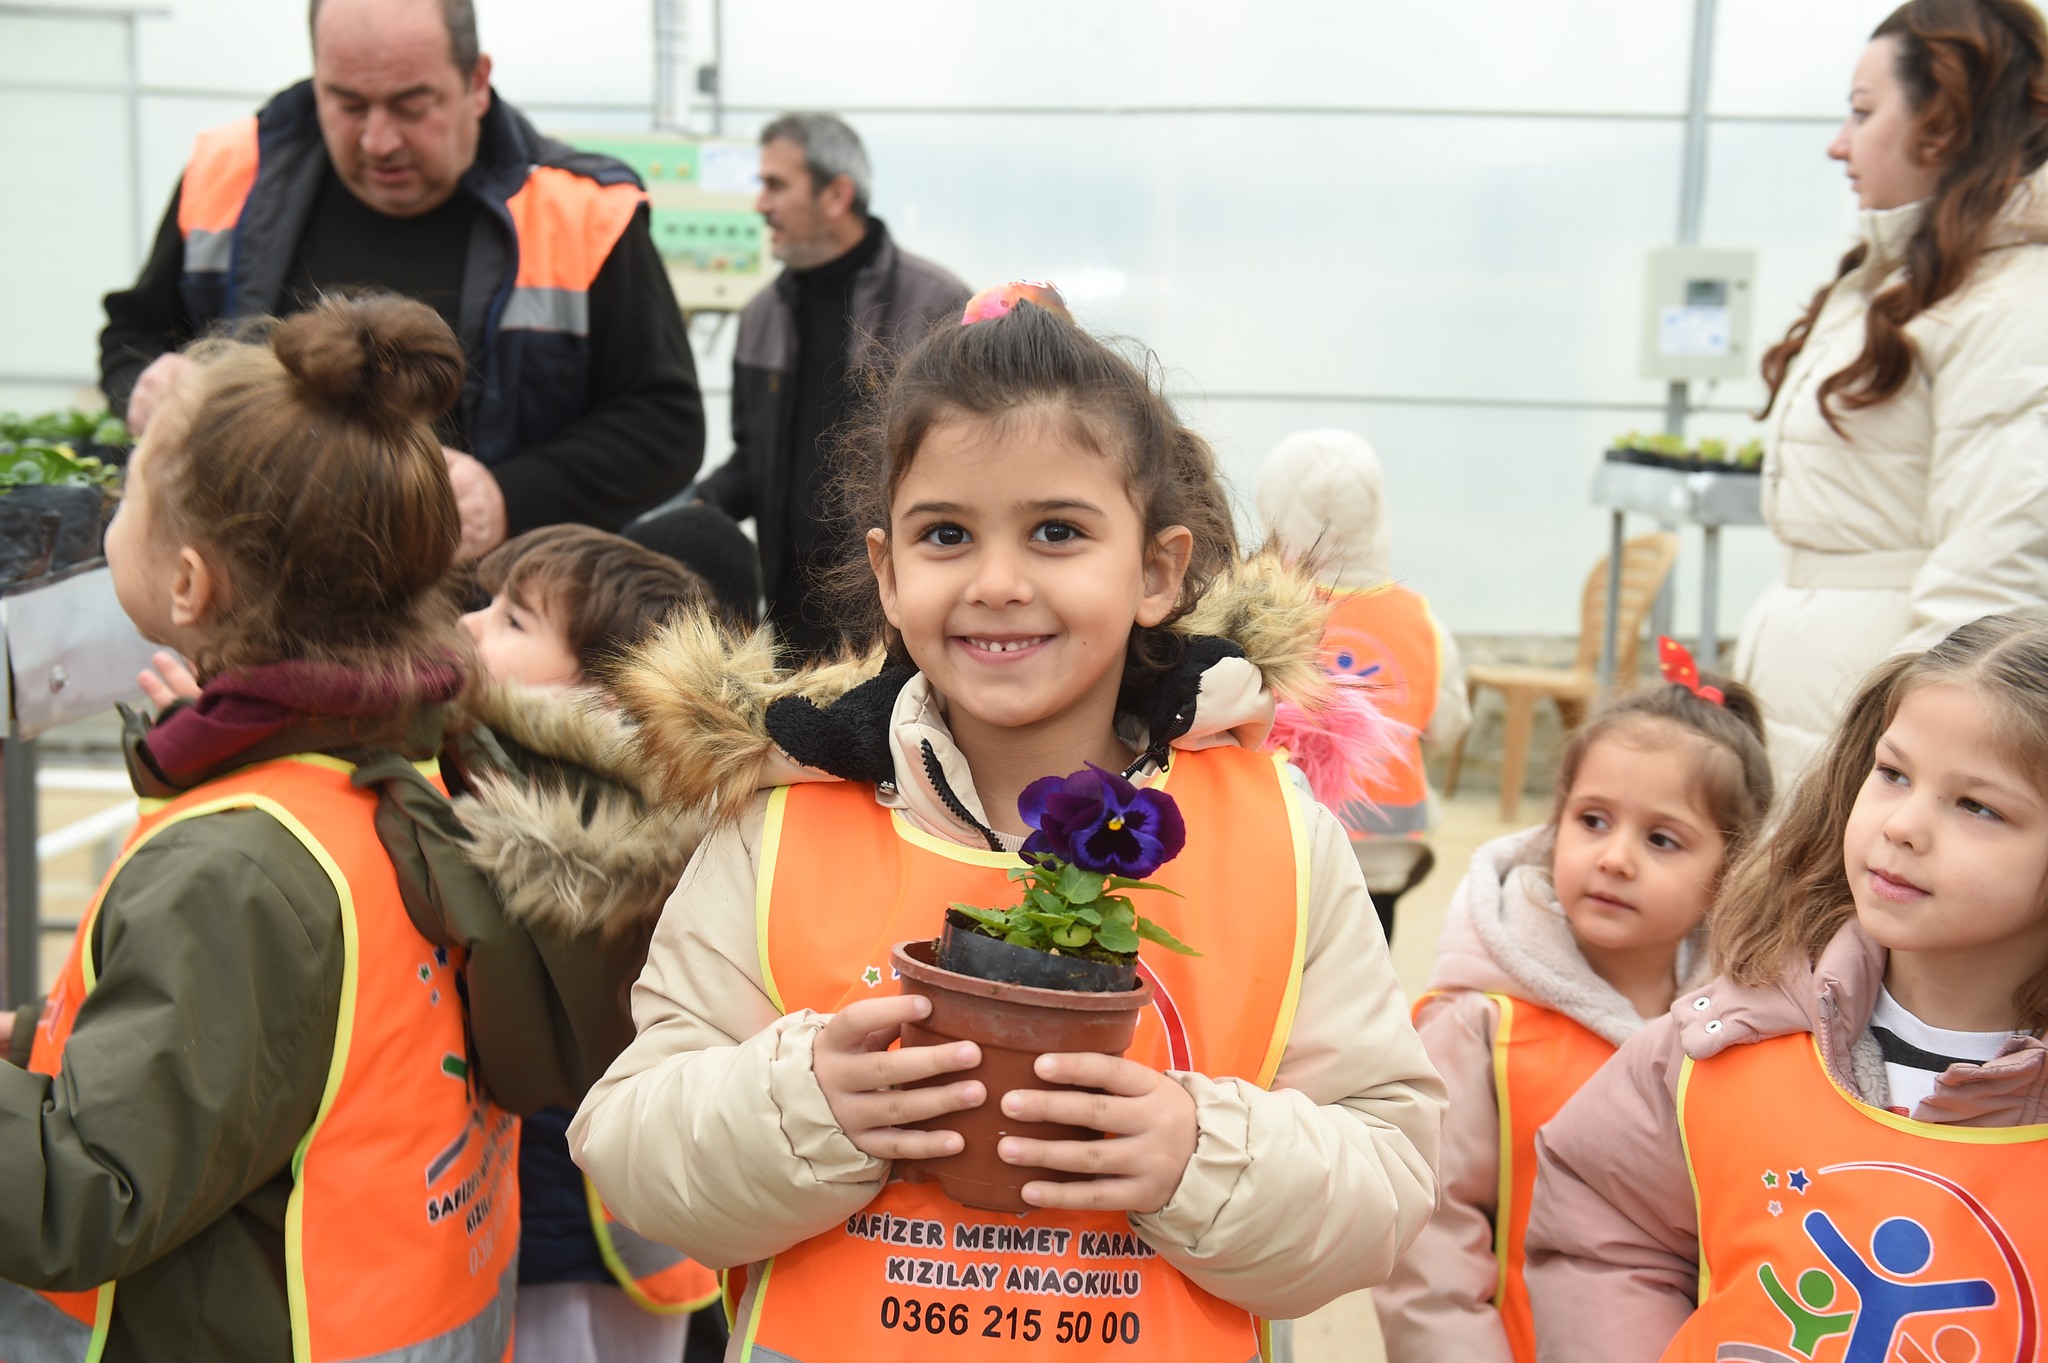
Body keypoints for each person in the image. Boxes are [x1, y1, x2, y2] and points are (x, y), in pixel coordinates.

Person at [569, 284, 1445, 1359]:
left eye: (1056, 532)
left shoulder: (1276, 831)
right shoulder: (780, 825)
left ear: (1156, 571)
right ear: (888, 573)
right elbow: (627, 1146)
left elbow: (1391, 1173)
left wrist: (1193, 1152)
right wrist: (803, 1106)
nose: (996, 582)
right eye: (945, 534)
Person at [0, 294, 573, 1360]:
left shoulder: (237, 866)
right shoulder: (416, 770)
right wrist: (51, 1031)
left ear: (187, 582)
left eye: (127, 497)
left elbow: (85, 1196)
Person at [1525, 614, 2048, 1363]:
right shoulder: (1729, 1037)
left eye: (1978, 806)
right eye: (1894, 771)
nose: (1902, 824)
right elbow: (1601, 1221)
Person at [99, 0, 705, 561]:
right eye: (347, 103)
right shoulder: (230, 176)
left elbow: (664, 423)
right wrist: (148, 385)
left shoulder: (581, 213)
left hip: (477, 617)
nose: (378, 141)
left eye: (412, 105)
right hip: (254, 591)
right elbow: (133, 331)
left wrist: (506, 497)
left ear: (476, 82)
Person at [1373, 642, 1772, 1363]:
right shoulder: (1482, 1022)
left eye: (1661, 838)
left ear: (1729, 873)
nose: (1615, 857)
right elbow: (1428, 1243)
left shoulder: (1745, 1036)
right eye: (1593, 820)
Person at [1735, 0, 2048, 780]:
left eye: (1863, 112)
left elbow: (1992, 572)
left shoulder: (2015, 301)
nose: (1840, 144)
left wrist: (1905, 769)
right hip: (1826, 698)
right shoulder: (1903, 279)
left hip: (1874, 720)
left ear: (1943, 122)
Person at [450, 524, 740, 1363]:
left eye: (512, 622)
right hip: (571, 1224)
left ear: (602, 699)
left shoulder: (554, 823)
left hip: (577, 1226)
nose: (470, 627)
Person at [692, 111, 970, 660]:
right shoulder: (761, 316)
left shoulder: (938, 306)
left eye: (775, 185)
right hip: (794, 628)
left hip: (901, 623)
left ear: (837, 194)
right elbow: (755, 461)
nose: (760, 204)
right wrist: (697, 505)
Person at [1256, 428, 1472, 936]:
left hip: (1290, 843)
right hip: (1387, 851)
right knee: (1370, 976)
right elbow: (1446, 722)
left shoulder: (1263, 612)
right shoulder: (1422, 621)